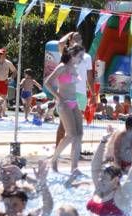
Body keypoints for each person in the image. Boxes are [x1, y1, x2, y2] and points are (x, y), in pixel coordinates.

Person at [86, 125, 132, 216]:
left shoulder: (123, 194)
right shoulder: (101, 187)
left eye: (105, 179)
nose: (100, 180)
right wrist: (103, 141)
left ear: (116, 181)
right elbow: (94, 167)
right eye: (102, 178)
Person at [45, 44, 85, 174]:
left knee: (79, 135)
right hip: (64, 103)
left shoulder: (74, 67)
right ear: (72, 55)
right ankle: (54, 159)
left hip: (74, 102)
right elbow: (47, 83)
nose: (82, 58)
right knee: (71, 135)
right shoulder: (62, 67)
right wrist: (58, 97)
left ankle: (74, 167)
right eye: (80, 56)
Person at [55, 32, 95, 149]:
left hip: (81, 94)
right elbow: (60, 43)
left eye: (79, 37)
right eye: (75, 38)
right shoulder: (67, 54)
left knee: (77, 125)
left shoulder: (87, 57)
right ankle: (57, 150)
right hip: (67, 92)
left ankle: (76, 151)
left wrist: (93, 94)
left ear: (82, 41)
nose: (77, 39)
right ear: (71, 41)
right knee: (63, 124)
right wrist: (70, 34)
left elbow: (90, 77)